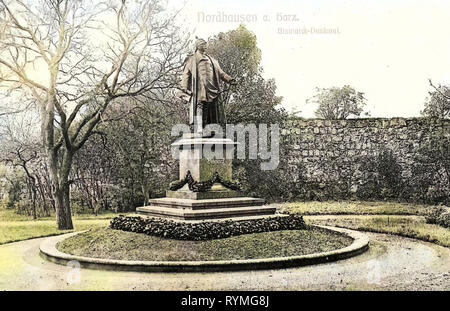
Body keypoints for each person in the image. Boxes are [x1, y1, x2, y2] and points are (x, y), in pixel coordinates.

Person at [180, 38, 235, 134]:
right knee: (200, 105)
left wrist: (229, 79)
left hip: (212, 86)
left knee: (210, 106)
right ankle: (199, 127)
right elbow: (186, 74)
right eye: (202, 44)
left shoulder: (211, 59)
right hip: (200, 86)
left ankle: (211, 128)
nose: (205, 46)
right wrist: (184, 87)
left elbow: (221, 73)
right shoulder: (192, 59)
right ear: (197, 46)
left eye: (205, 44)